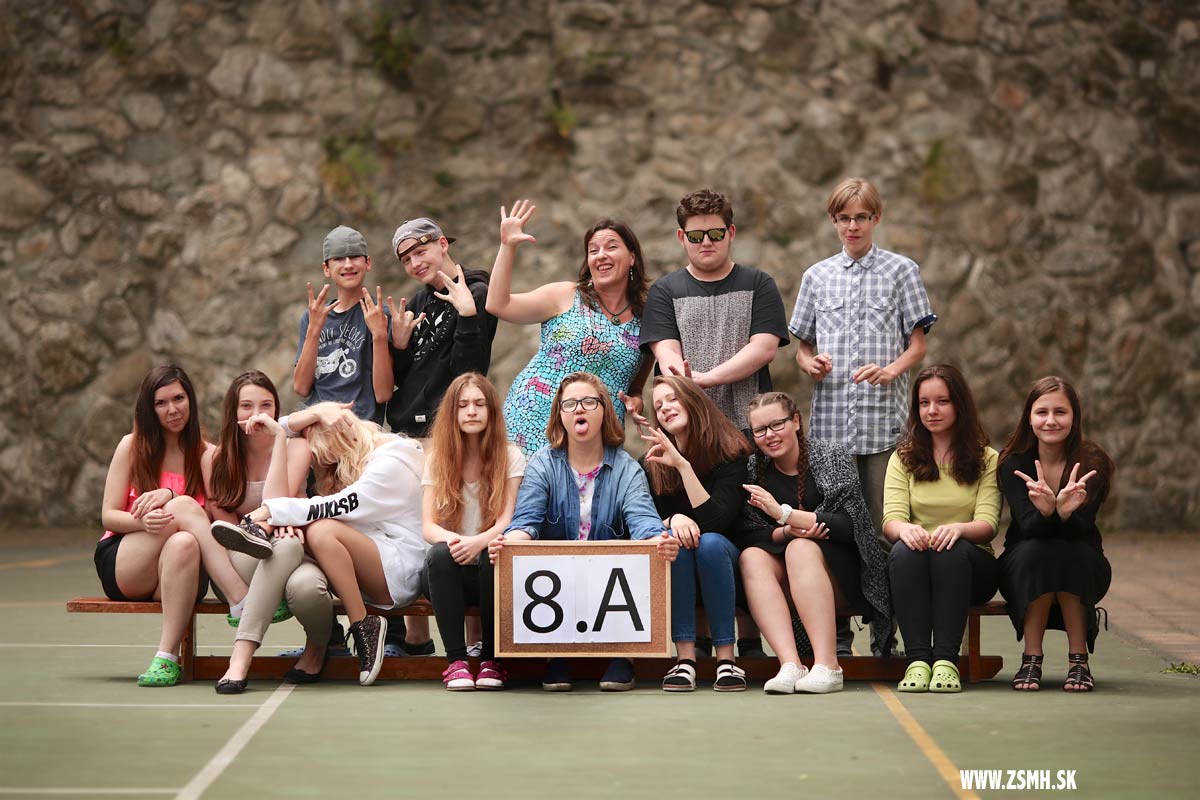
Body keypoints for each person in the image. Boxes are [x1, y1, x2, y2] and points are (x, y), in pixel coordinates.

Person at [638, 188, 789, 658]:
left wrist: (703, 380)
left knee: (741, 533)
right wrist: (684, 385)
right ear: (681, 238)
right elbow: (665, 350)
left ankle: (749, 640)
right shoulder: (666, 291)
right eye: (696, 235)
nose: (706, 242)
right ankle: (701, 639)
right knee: (692, 533)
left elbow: (764, 347)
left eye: (716, 234)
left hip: (745, 434)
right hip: (687, 439)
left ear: (732, 233)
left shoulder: (758, 283)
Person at [789, 177, 936, 655]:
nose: (852, 226)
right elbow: (801, 345)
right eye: (844, 218)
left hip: (883, 427)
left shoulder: (901, 271)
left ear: (876, 218)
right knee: (832, 530)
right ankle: (836, 635)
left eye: (861, 217)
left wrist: (891, 370)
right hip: (830, 430)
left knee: (882, 530)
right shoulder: (816, 276)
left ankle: (885, 634)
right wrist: (809, 363)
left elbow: (918, 345)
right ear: (833, 221)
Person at [211, 403, 426, 686]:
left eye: (325, 455)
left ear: (342, 438)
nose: (323, 465)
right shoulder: (362, 458)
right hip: (365, 560)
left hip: (397, 571)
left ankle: (362, 624)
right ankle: (263, 533)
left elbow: (340, 504)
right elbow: (286, 429)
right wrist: (310, 416)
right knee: (302, 532)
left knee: (320, 528)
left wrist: (269, 511)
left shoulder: (392, 461)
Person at [488, 372, 679, 691]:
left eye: (589, 402)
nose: (579, 409)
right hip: (559, 584)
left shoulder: (627, 468)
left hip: (610, 585)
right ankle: (555, 652)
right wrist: (507, 543)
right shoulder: (542, 465)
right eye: (570, 404)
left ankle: (624, 653)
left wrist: (659, 540)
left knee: (642, 557)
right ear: (559, 415)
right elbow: (526, 523)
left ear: (604, 410)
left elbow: (643, 523)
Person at [96, 365, 250, 687]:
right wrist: (142, 520)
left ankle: (165, 658)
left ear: (190, 399)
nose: (172, 409)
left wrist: (169, 495)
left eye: (179, 398)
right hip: (128, 562)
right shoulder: (131, 446)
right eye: (161, 403)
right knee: (183, 506)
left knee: (185, 542)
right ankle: (240, 597)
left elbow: (213, 518)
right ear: (149, 409)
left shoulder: (206, 454)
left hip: (181, 569)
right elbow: (109, 516)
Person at [739, 392, 891, 694]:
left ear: (796, 421)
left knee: (802, 549)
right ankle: (790, 664)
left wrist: (784, 514)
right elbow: (748, 532)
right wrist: (789, 531)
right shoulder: (753, 469)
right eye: (760, 430)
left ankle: (828, 665)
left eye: (777, 424)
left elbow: (849, 525)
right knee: (751, 557)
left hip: (844, 576)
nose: (770, 435)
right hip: (788, 575)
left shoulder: (830, 456)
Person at [202, 371, 333, 694]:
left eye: (266, 405)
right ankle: (241, 658)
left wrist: (278, 439)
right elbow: (228, 529)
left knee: (306, 586)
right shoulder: (215, 459)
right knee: (285, 544)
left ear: (276, 410)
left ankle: (317, 647)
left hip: (295, 551)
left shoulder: (297, 447)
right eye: (246, 406)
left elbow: (277, 502)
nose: (256, 414)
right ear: (233, 411)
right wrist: (276, 519)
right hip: (242, 557)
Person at [486, 200, 652, 455]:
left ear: (632, 257)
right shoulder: (566, 295)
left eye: (611, 247)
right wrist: (507, 246)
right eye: (593, 250)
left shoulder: (647, 320)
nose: (601, 255)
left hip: (596, 434)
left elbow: (635, 388)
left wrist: (636, 401)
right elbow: (498, 304)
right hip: (534, 420)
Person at [882, 365, 1000, 694]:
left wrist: (959, 529)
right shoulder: (903, 458)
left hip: (971, 569)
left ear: (960, 404)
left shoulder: (987, 458)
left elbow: (988, 524)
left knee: (951, 551)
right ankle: (918, 661)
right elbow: (891, 520)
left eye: (942, 401)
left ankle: (947, 661)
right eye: (924, 403)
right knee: (903, 551)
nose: (931, 410)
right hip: (917, 566)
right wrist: (905, 530)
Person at [998, 377, 1114, 692]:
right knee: (1040, 551)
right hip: (1023, 562)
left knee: (1066, 552)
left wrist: (1064, 513)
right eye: (1042, 412)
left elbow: (1083, 529)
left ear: (1074, 417)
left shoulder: (1093, 463)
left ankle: (1079, 661)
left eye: (1060, 412)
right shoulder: (1013, 463)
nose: (1050, 420)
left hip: (1084, 560)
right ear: (1029, 417)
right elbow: (1028, 527)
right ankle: (1031, 658)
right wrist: (1049, 511)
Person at [642, 375, 751, 692]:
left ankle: (726, 661)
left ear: (693, 401)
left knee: (710, 543)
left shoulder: (731, 452)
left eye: (672, 399)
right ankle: (685, 660)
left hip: (727, 559)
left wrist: (683, 466)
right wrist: (671, 519)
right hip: (681, 559)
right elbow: (640, 517)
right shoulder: (652, 462)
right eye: (658, 406)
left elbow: (714, 521)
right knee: (673, 544)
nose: (665, 408)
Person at [421, 373, 525, 691]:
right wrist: (459, 542)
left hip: (490, 571)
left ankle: (492, 660)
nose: (471, 411)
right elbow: (428, 527)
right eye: (463, 405)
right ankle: (456, 662)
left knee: (495, 553)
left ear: (491, 411)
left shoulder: (511, 456)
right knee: (438, 554)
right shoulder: (438, 459)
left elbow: (507, 519)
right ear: (452, 413)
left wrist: (477, 543)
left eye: (479, 404)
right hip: (449, 573)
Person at [386, 217, 497, 438]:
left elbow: (469, 372)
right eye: (406, 260)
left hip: (447, 429)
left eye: (420, 252)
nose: (415, 264)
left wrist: (467, 316)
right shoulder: (418, 302)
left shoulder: (476, 293)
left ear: (443, 244)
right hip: (406, 430)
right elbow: (403, 378)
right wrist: (399, 346)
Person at [293, 225, 392, 424]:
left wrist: (380, 336)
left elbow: (383, 394)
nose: (348, 264)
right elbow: (301, 388)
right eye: (338, 258)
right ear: (326, 269)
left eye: (354, 257)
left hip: (362, 425)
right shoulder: (313, 316)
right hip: (317, 423)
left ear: (368, 263)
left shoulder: (380, 316)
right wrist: (314, 330)